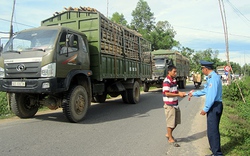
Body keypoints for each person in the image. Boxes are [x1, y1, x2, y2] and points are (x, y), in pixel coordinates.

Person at [189, 60, 223, 156]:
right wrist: (193, 94)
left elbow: (211, 96)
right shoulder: (211, 77)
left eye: (202, 69)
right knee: (212, 130)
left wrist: (205, 108)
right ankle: (215, 150)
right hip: (215, 105)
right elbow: (206, 90)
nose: (202, 70)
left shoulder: (213, 78)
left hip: (214, 106)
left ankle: (217, 154)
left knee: (213, 131)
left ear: (206, 69)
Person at [162, 65, 186, 147]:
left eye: (176, 71)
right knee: (170, 123)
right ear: (169, 71)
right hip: (169, 105)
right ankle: (170, 138)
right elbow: (167, 93)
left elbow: (175, 90)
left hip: (175, 104)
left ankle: (168, 134)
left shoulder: (174, 80)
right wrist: (179, 95)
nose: (175, 73)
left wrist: (180, 93)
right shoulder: (167, 81)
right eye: (174, 71)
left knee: (176, 122)